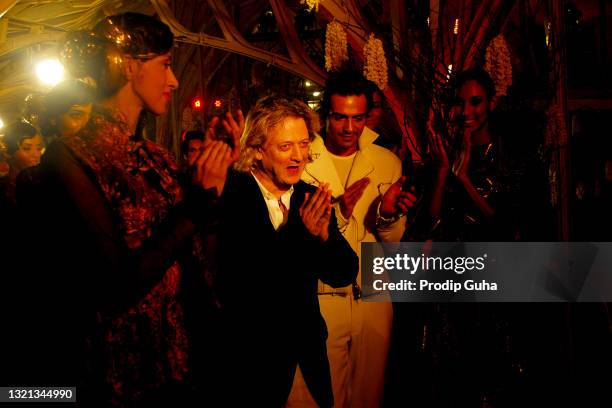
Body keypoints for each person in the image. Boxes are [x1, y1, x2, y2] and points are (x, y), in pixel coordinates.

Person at [12, 13, 239, 406]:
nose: (174, 81)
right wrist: (196, 208)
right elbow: (113, 284)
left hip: (176, 368)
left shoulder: (156, 159)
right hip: (112, 376)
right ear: (130, 66)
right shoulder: (71, 159)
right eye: (165, 65)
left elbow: (198, 268)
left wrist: (214, 185)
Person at [216, 95, 359, 407]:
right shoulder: (230, 197)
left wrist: (324, 238)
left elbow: (345, 272)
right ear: (255, 150)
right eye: (285, 146)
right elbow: (246, 283)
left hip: (307, 363)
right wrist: (301, 234)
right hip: (253, 366)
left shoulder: (310, 196)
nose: (298, 157)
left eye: (304, 144)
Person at [288, 71, 416, 408]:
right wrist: (339, 214)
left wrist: (387, 216)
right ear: (326, 116)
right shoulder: (301, 162)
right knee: (319, 397)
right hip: (323, 295)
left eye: (357, 118)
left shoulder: (386, 162)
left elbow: (392, 244)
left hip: (374, 293)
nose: (349, 128)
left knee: (367, 398)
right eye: (340, 118)